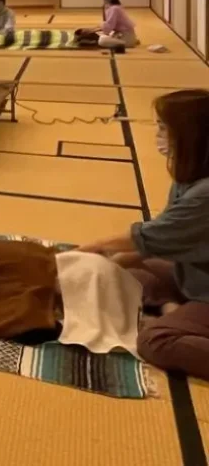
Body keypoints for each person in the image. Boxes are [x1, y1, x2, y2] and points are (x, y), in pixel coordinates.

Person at [79, 90, 209, 380]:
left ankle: (177, 318)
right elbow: (162, 240)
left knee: (154, 341)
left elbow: (148, 236)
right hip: (194, 275)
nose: (158, 135)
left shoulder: (205, 194)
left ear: (191, 134)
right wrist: (110, 263)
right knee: (132, 272)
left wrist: (83, 252)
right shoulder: (190, 178)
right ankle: (173, 308)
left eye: (164, 128)